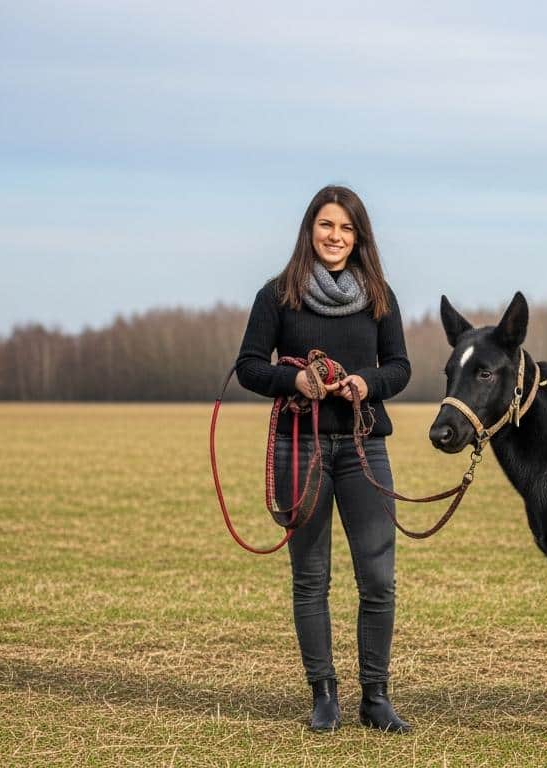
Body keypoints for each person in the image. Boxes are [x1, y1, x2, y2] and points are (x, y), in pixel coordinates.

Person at [235, 185, 412, 733]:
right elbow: (247, 366)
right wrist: (295, 379)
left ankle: (376, 697)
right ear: (310, 230)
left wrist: (366, 382)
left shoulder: (380, 295)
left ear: (359, 237)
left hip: (363, 448)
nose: (335, 237)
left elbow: (401, 368)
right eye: (326, 226)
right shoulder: (277, 296)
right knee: (311, 579)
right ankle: (324, 695)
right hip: (299, 447)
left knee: (378, 579)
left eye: (346, 228)